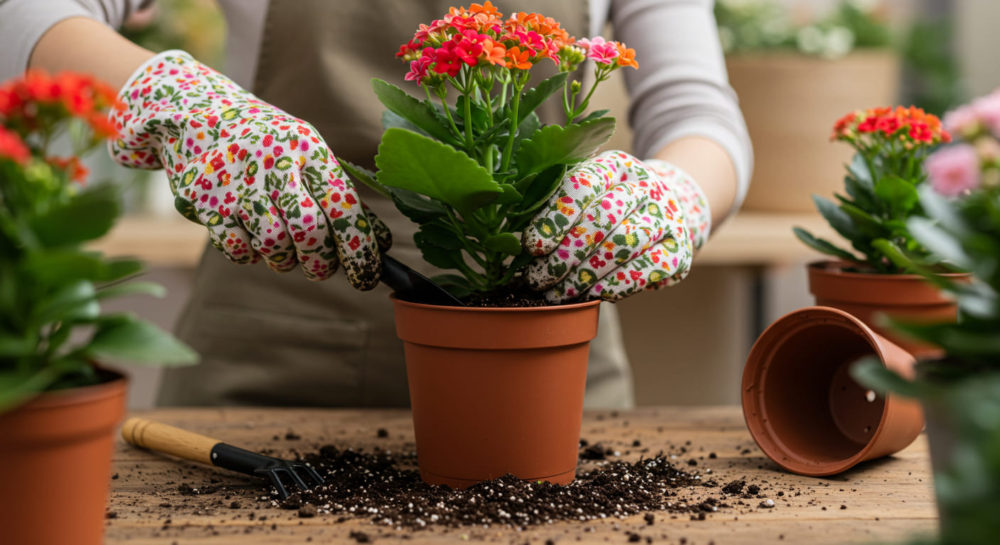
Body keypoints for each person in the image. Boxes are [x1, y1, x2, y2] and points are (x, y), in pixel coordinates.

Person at [0, 0, 752, 409]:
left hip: (544, 383)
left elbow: (699, 114)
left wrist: (675, 197)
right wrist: (183, 103)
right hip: (265, 371)